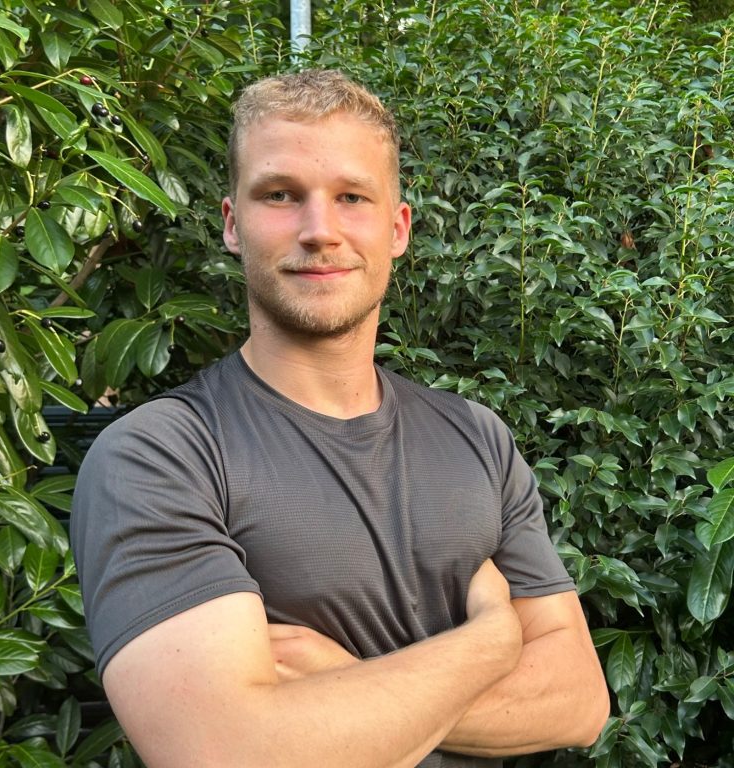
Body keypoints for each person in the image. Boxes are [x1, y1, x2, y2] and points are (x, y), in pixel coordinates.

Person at [71, 69, 609, 768]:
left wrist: (341, 679)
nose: (319, 231)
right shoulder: (161, 456)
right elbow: (227, 751)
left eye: (351, 197)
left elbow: (578, 700)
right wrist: (492, 641)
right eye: (280, 195)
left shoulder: (478, 438)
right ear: (232, 223)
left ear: (397, 228)